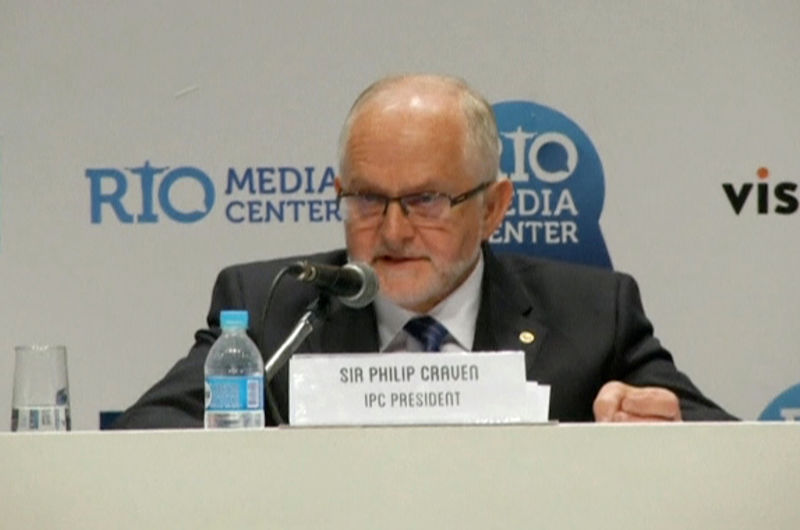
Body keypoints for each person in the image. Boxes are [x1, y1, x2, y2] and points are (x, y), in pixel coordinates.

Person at [114, 74, 734, 428]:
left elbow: (726, 446)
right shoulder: (272, 307)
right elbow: (147, 434)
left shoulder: (592, 313)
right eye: (366, 199)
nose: (392, 231)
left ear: (493, 208)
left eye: (426, 201)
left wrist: (662, 429)